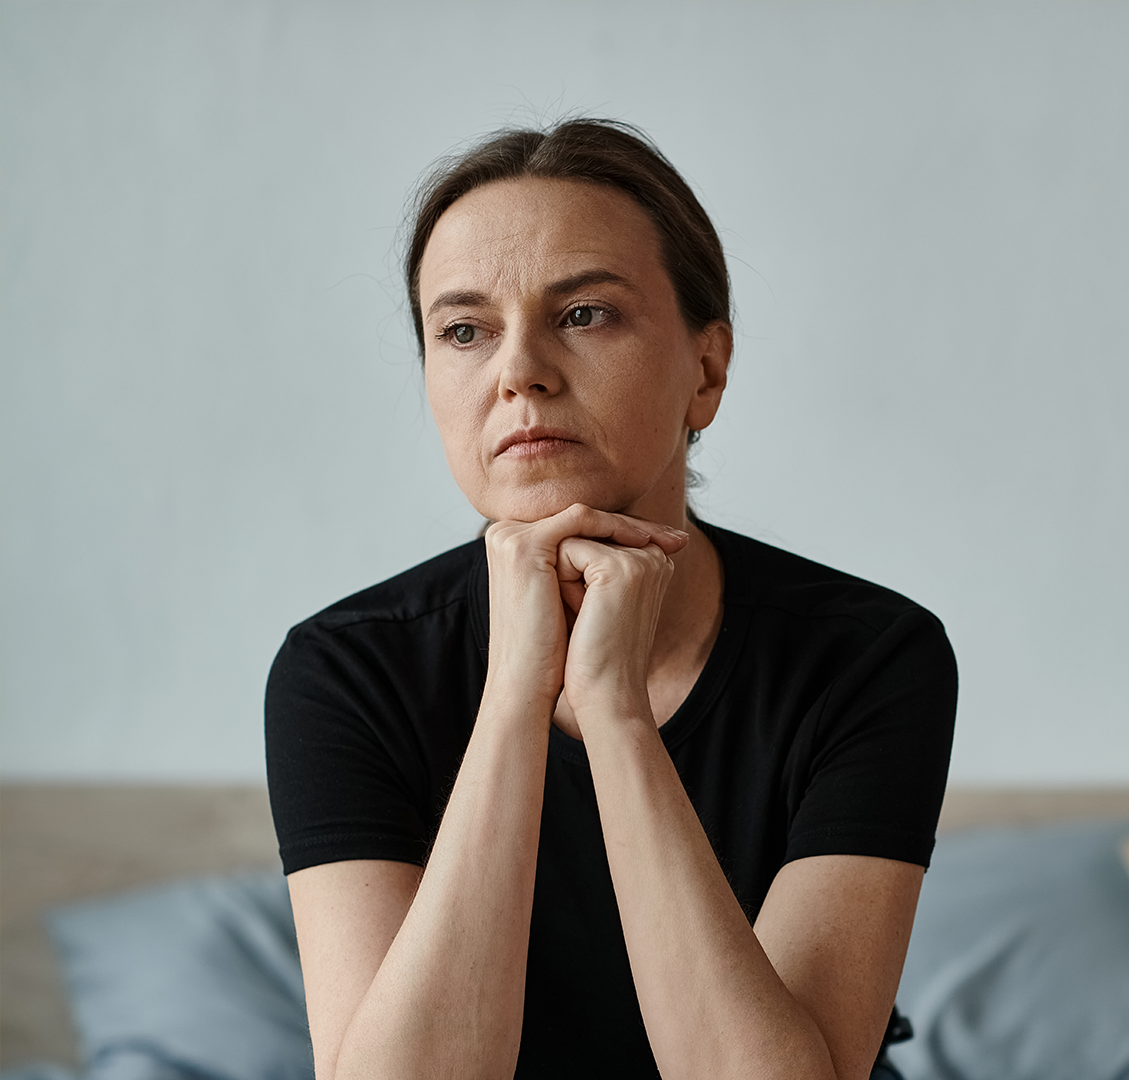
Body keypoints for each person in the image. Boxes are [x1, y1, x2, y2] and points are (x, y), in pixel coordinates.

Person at [264, 119, 957, 1080]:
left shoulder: (869, 655)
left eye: (584, 314)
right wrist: (514, 697)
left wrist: (618, 717)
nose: (518, 374)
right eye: (464, 331)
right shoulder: (344, 670)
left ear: (706, 370)